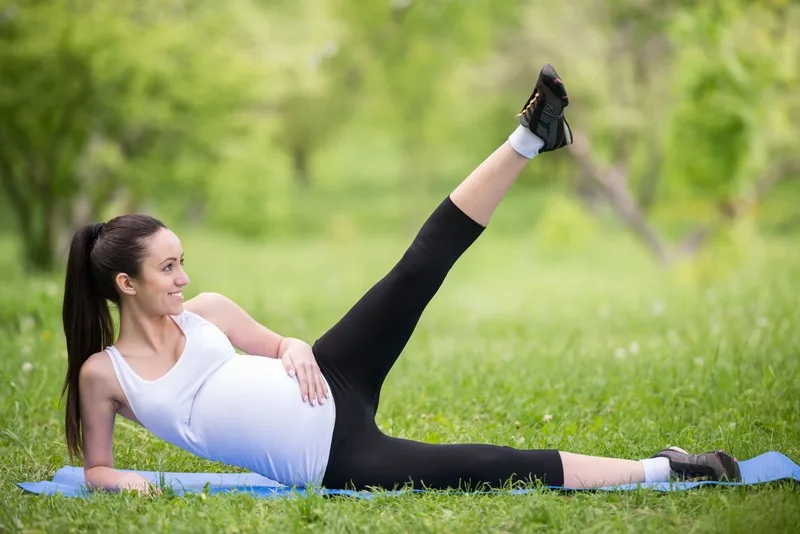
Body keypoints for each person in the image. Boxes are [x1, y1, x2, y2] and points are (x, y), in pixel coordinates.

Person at [61, 64, 740, 494]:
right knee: (491, 465)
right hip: (337, 457)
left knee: (418, 268)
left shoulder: (207, 310)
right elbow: (96, 470)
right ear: (126, 283)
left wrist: (293, 347)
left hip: (334, 372)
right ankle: (669, 467)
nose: (184, 277)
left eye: (181, 260)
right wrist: (129, 486)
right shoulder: (104, 374)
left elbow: (278, 346)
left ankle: (532, 136)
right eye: (168, 267)